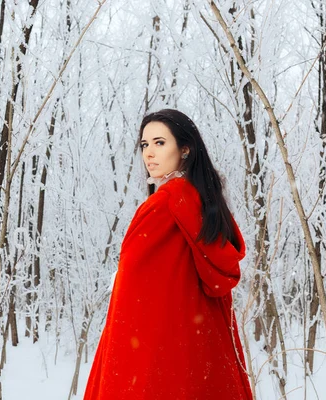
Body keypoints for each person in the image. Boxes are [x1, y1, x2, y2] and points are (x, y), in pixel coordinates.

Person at [83, 109, 253, 399]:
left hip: (161, 360)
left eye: (160, 143)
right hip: (202, 351)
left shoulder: (161, 205)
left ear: (185, 149)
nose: (149, 153)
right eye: (145, 145)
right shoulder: (206, 204)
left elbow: (132, 300)